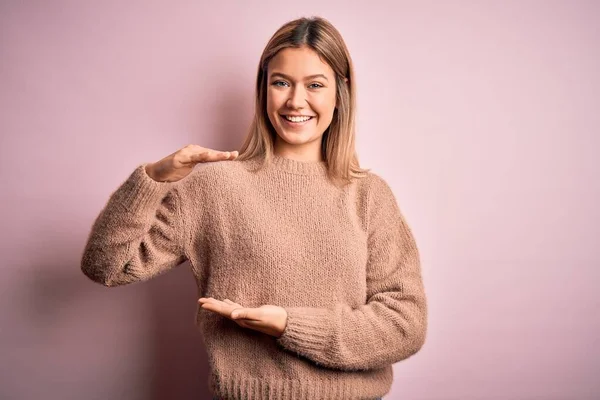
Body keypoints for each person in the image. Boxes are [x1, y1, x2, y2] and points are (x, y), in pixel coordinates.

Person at [81, 15, 427, 400]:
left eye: (315, 84)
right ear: (264, 88)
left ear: (339, 92)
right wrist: (153, 178)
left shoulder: (369, 195)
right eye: (281, 82)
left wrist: (289, 325)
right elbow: (107, 266)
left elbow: (405, 324)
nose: (296, 101)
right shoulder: (213, 186)